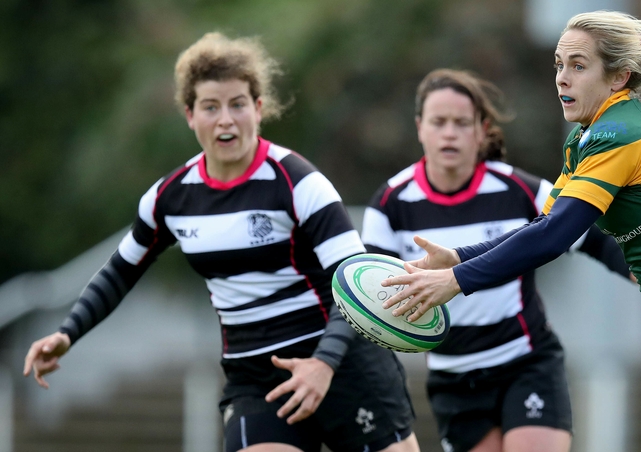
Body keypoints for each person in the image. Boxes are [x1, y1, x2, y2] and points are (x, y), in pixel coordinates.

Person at [380, 11, 641, 452]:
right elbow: (541, 227)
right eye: (558, 64)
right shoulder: (587, 138)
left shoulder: (620, 133)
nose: (562, 79)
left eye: (578, 65)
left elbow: (555, 238)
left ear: (619, 77)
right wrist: (458, 257)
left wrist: (456, 281)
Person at [23, 32, 420, 452]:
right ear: (190, 115)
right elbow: (121, 270)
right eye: (211, 107)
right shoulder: (170, 199)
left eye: (237, 104)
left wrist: (323, 364)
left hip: (342, 362)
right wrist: (68, 333)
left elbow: (356, 284)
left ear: (259, 109)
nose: (225, 119)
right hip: (257, 377)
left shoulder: (298, 182)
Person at [361, 68, 632, 452]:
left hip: (526, 363)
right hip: (453, 379)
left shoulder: (521, 190)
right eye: (439, 122)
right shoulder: (390, 205)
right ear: (421, 127)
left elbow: (594, 239)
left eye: (461, 122)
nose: (450, 133)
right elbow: (376, 297)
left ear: (481, 129)